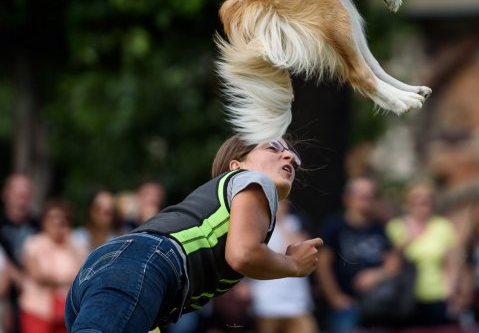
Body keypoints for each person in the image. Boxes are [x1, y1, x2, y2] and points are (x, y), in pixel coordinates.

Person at [65, 136, 322, 333]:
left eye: (291, 154)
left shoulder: (240, 210)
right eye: (273, 148)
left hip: (113, 273)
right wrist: (293, 265)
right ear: (237, 165)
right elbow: (243, 255)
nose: (289, 156)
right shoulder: (253, 179)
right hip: (143, 267)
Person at [317, 176, 400, 333]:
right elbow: (322, 265)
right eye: (363, 196)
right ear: (349, 198)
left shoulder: (379, 228)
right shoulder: (334, 226)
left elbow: (393, 262)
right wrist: (334, 297)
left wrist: (377, 275)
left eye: (371, 196)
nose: (368, 201)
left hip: (378, 306)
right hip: (346, 306)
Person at [387, 180, 460, 327]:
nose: (421, 207)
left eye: (425, 202)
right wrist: (408, 239)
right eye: (416, 202)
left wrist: (450, 289)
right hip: (405, 296)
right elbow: (391, 262)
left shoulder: (443, 226)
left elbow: (451, 262)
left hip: (437, 295)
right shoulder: (396, 227)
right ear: (408, 204)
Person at [249, 200, 317, 333]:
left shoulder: (294, 222)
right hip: (267, 300)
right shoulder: (258, 224)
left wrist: (281, 223)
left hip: (297, 302)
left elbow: (304, 250)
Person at [19, 200, 86, 333]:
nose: (57, 222)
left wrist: (69, 243)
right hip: (37, 311)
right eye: (53, 218)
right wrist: (65, 280)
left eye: (62, 219)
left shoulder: (75, 244)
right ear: (44, 221)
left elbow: (83, 275)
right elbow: (37, 275)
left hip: (66, 313)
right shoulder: (34, 243)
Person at [0, 173, 39, 333]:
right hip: (7, 297)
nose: (22, 195)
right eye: (18, 191)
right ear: (5, 194)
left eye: (26, 192)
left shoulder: (38, 225)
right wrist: (17, 277)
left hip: (35, 297)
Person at [71, 189, 120, 254]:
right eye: (98, 208)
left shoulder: (118, 244)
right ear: (90, 209)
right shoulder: (75, 239)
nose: (103, 213)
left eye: (108, 210)